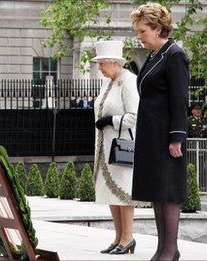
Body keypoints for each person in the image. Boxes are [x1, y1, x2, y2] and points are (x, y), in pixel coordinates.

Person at [130, 3, 189, 261]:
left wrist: (177, 136)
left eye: (143, 31)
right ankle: (164, 249)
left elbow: (180, 98)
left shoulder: (174, 54)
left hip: (166, 137)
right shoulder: (155, 55)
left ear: (157, 28)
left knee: (169, 192)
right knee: (157, 191)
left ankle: (169, 249)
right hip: (151, 137)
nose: (140, 36)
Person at [91, 40, 140, 255]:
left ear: (113, 62)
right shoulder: (108, 82)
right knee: (110, 193)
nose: (99, 68)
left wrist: (111, 120)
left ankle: (128, 238)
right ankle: (118, 237)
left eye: (101, 63)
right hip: (104, 146)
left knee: (123, 193)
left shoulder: (129, 81)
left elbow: (135, 116)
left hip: (122, 146)